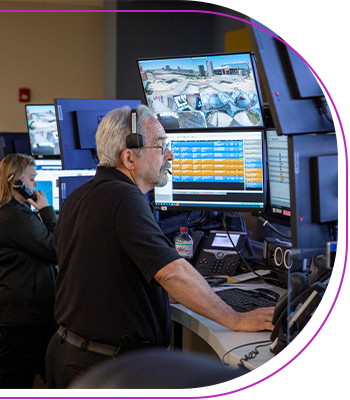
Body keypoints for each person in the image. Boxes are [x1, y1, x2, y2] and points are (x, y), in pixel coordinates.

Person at [46, 105, 274, 388]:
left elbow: (105, 273)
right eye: (161, 145)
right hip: (104, 366)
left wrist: (181, 295)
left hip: (70, 354)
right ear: (129, 157)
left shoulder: (81, 195)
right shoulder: (124, 199)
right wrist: (236, 319)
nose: (171, 155)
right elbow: (172, 273)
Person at [0, 153, 58, 388]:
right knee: (14, 382)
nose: (35, 185)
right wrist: (46, 210)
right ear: (17, 183)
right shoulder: (15, 216)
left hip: (18, 314)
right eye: (32, 179)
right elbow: (56, 248)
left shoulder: (11, 212)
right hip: (20, 318)